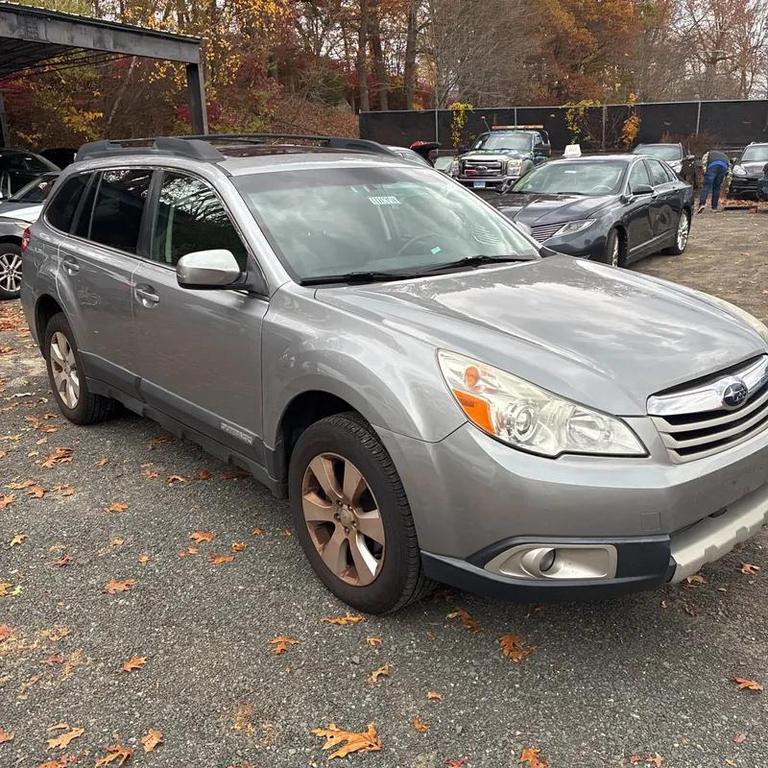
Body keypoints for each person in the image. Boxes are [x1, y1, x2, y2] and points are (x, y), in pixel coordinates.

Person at [698, 149, 730, 213]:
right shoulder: (725, 156)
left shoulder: (708, 154)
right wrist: (728, 185)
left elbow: (704, 163)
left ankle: (702, 204)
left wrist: (705, 173)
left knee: (706, 186)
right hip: (723, 167)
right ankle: (714, 208)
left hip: (713, 166)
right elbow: (729, 170)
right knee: (717, 187)